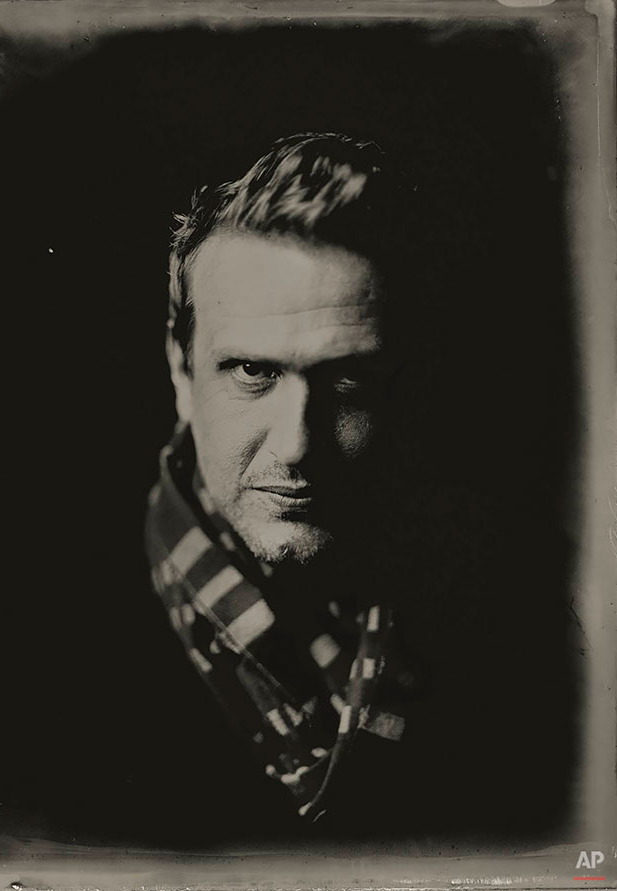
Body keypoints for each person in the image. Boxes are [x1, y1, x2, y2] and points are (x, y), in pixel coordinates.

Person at [143, 132, 576, 847]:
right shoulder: (34, 668)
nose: (298, 444)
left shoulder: (533, 609)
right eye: (252, 372)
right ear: (180, 372)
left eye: (349, 381)